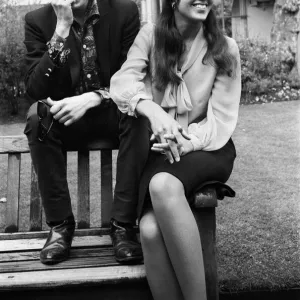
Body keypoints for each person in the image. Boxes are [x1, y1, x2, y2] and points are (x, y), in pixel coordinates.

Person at [110, 0, 241, 299]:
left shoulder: (225, 48)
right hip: (163, 151)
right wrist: (151, 110)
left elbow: (220, 121)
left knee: (162, 184)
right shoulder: (150, 36)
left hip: (209, 147)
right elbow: (121, 82)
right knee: (150, 231)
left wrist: (184, 139)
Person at [23, 0, 149, 265]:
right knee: (37, 116)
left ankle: (123, 226)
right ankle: (60, 226)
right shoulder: (37, 20)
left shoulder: (124, 12)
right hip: (65, 116)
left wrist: (95, 97)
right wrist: (62, 29)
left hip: (113, 110)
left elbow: (134, 76)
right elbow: (35, 89)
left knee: (140, 113)